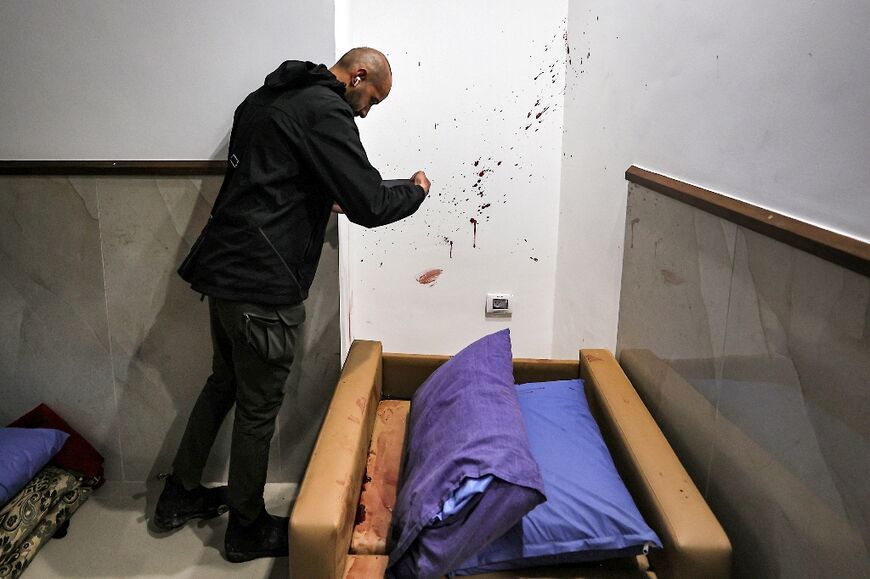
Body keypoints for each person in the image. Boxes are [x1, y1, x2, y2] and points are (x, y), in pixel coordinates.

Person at [151, 47, 429, 563]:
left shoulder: (264, 99)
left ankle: (180, 494)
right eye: (372, 98)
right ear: (359, 75)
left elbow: (273, 181)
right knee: (258, 409)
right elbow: (370, 204)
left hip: (225, 274)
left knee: (224, 384)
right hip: (263, 286)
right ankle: (247, 529)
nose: (366, 110)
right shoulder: (327, 111)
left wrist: (323, 197)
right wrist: (415, 191)